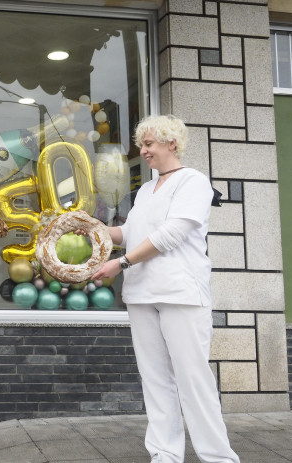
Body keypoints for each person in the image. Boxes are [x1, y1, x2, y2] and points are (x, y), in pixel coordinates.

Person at [89, 115, 239, 463]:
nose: (143, 152)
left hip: (180, 293)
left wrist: (121, 263)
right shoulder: (145, 190)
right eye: (142, 145)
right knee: (155, 379)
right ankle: (165, 452)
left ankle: (218, 456)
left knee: (193, 379)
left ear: (172, 144)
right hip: (141, 294)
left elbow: (171, 234)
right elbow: (129, 234)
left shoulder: (194, 183)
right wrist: (93, 230)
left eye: (149, 144)